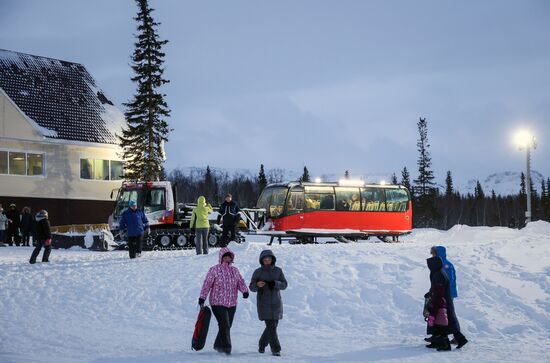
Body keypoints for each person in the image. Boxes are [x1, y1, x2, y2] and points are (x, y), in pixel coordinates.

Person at [198, 247, 249, 355]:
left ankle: (218, 345)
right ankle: (226, 348)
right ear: (221, 257)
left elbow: (240, 282)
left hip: (232, 302)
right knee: (224, 324)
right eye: (225, 256)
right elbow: (207, 284)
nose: (227, 258)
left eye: (229, 256)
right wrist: (202, 297)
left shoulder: (235, 270)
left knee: (226, 325)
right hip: (217, 302)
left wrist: (244, 291)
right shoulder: (214, 270)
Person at [424, 252, 468, 349]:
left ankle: (444, 342)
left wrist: (432, 297)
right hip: (444, 300)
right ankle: (457, 339)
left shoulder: (438, 274)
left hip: (442, 301)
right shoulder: (439, 272)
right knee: (445, 321)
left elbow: (438, 290)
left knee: (441, 321)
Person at [249, 250, 288, 356]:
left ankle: (262, 344)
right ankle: (276, 349)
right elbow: (251, 287)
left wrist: (275, 283)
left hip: (276, 303)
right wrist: (257, 285)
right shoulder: (258, 272)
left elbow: (284, 285)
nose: (267, 261)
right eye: (265, 260)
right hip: (263, 303)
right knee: (271, 326)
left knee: (272, 326)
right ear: (261, 261)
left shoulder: (278, 271)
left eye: (269, 259)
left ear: (272, 260)